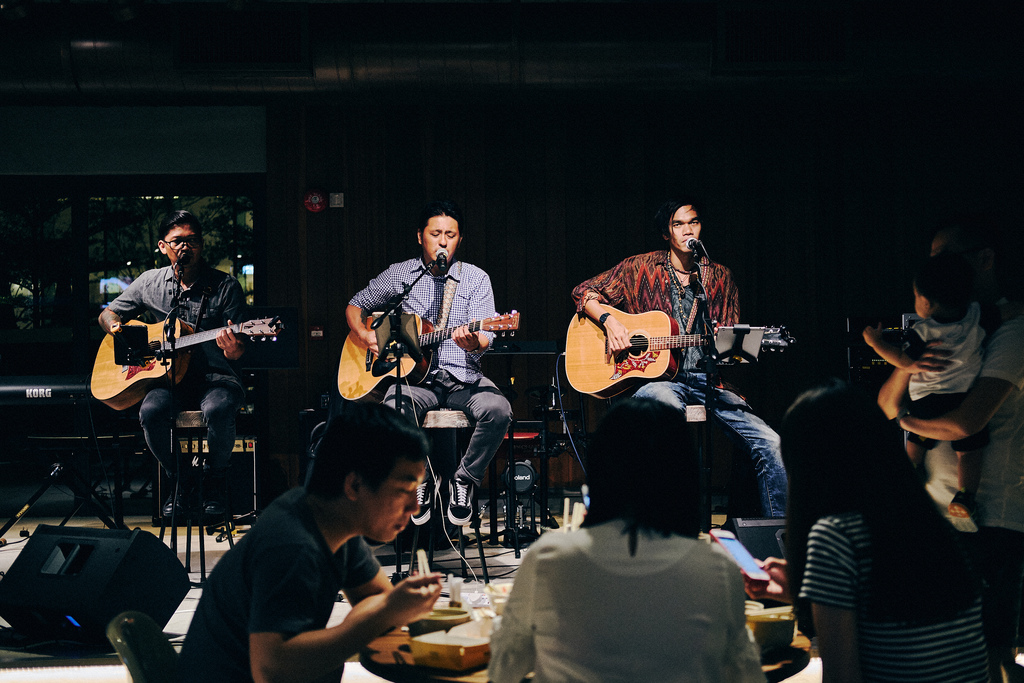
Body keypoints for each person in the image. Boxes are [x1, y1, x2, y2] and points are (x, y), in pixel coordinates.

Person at [489, 398, 765, 683]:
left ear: (600, 470)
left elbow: (504, 669)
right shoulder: (717, 568)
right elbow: (745, 674)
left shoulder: (548, 558)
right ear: (684, 476)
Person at [178, 402, 444, 683]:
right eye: (405, 490)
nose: (415, 506)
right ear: (354, 486)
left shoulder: (332, 520)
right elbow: (271, 669)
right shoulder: (293, 544)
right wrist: (383, 612)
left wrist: (387, 607)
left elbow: (376, 599)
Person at [570, 199, 786, 517]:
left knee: (772, 444)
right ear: (666, 233)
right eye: (679, 224)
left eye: (693, 223)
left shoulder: (720, 278)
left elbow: (727, 349)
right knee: (660, 422)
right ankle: (658, 522)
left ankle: (776, 538)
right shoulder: (639, 268)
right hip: (658, 381)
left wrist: (742, 348)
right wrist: (610, 322)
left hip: (708, 381)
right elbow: (583, 291)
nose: (688, 230)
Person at [878, 221, 1024, 683]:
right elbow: (886, 402)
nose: (936, 269)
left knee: (988, 652)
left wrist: (908, 423)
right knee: (937, 653)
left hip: (990, 516)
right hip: (932, 511)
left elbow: (966, 422)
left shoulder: (1011, 328)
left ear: (984, 260)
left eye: (948, 257)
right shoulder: (936, 326)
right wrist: (907, 361)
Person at [780, 379, 988, 682]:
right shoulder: (930, 524)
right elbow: (894, 617)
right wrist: (808, 591)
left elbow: (842, 677)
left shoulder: (836, 536)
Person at [346, 200, 512, 526]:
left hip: (463, 380)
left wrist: (475, 340)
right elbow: (356, 304)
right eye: (436, 233)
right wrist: (366, 336)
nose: (443, 241)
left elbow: (486, 338)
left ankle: (464, 480)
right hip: (416, 381)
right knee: (393, 407)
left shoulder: (476, 279)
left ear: (460, 239)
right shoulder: (401, 275)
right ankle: (418, 479)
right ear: (420, 236)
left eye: (451, 234)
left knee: (499, 410)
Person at [98, 210, 246, 517]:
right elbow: (108, 314)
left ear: (201, 245)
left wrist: (234, 351)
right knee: (151, 412)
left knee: (219, 408)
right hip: (165, 378)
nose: (185, 247)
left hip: (213, 377)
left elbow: (240, 346)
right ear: (163, 246)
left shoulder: (225, 286)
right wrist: (118, 330)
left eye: (192, 240)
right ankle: (179, 479)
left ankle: (216, 479)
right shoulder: (149, 283)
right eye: (177, 241)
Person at [862, 252, 998, 531]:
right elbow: (1010, 312)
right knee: (970, 452)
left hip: (925, 402)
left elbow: (902, 360)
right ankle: (965, 497)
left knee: (916, 441)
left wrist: (875, 342)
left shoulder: (923, 331)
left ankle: (910, 470)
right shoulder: (977, 317)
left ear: (924, 301)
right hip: (960, 397)